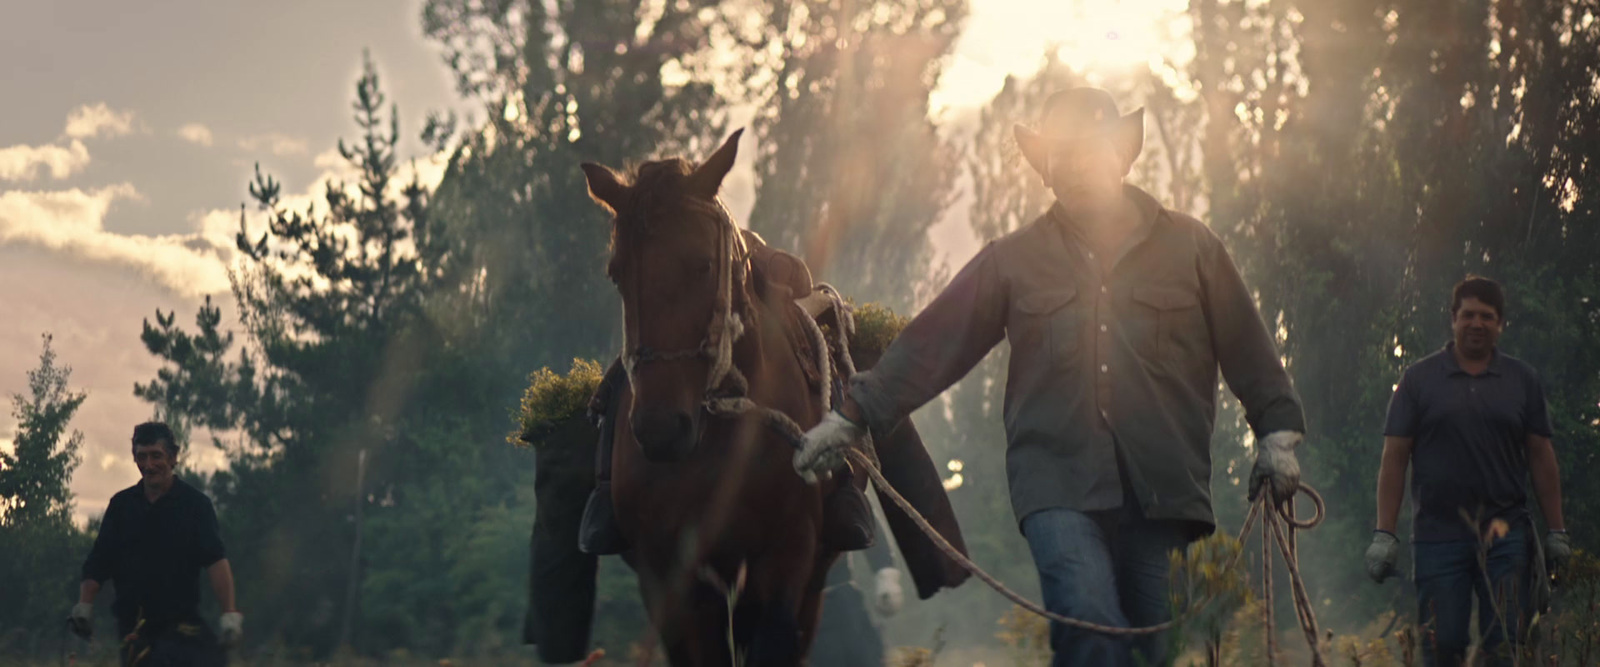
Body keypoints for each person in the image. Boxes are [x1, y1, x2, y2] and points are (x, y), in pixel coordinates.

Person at [792, 87, 1308, 666]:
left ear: (1121, 156)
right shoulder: (1012, 260)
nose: (1072, 165)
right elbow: (934, 343)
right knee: (1089, 624)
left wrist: (1277, 436)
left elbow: (1249, 348)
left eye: (1087, 150)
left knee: (1154, 650)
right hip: (1057, 486)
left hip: (1164, 489)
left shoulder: (1192, 248)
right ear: (1046, 170)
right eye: (1059, 155)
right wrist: (849, 418)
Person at [1364, 276, 1569, 666]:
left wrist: (1557, 531)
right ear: (1453, 319)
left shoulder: (1522, 380)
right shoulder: (1418, 379)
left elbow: (1542, 456)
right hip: (1437, 538)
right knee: (1442, 648)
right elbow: (1394, 456)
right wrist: (1383, 534)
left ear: (1500, 324)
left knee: (1505, 648)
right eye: (1469, 315)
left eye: (1487, 317)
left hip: (1507, 538)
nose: (1477, 324)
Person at [69, 422, 242, 666]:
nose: (149, 465)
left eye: (156, 456)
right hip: (134, 628)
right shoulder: (121, 506)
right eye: (142, 457)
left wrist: (229, 614)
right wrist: (84, 605)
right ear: (134, 458)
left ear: (173, 458)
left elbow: (216, 561)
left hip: (182, 625)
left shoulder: (195, 506)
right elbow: (99, 561)